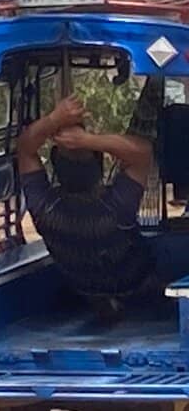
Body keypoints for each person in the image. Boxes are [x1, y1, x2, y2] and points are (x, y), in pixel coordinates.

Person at [17, 87, 156, 313]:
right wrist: (87, 140)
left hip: (86, 293)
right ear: (99, 164)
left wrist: (54, 119)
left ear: (54, 165)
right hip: (138, 290)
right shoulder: (116, 207)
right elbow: (143, 151)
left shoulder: (45, 209)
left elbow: (24, 149)